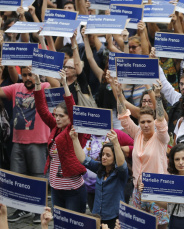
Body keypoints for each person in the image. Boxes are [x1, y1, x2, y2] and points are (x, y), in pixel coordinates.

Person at [0, 66, 58, 223]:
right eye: (24, 75)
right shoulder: (16, 87)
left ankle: (39, 211)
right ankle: (21, 210)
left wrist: (42, 73)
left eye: (30, 75)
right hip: (18, 141)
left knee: (38, 177)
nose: (27, 78)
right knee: (18, 177)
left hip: (38, 142)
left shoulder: (43, 87)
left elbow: (56, 85)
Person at [33, 70, 89, 213]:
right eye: (55, 115)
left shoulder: (75, 131)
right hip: (56, 189)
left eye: (61, 116)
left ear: (70, 118)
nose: (56, 118)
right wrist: (38, 83)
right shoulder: (55, 128)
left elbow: (72, 109)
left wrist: (64, 84)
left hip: (73, 190)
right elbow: (42, 109)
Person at [117, 81, 170, 229]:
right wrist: (119, 93)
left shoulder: (161, 138)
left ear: (153, 122)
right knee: (138, 226)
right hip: (137, 189)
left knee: (161, 227)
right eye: (142, 122)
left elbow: (161, 120)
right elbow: (123, 117)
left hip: (157, 190)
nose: (146, 125)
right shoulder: (138, 134)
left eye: (148, 122)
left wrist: (157, 97)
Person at [140, 143, 184, 229]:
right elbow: (169, 206)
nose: (181, 162)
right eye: (177, 159)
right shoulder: (170, 180)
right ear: (173, 161)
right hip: (174, 221)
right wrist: (149, 194)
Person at [71, 129, 128, 229]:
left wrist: (115, 143)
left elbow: (121, 165)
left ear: (115, 158)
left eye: (108, 155)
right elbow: (83, 159)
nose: (104, 157)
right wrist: (75, 139)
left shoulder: (120, 174)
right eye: (103, 154)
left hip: (114, 218)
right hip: (97, 217)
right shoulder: (99, 168)